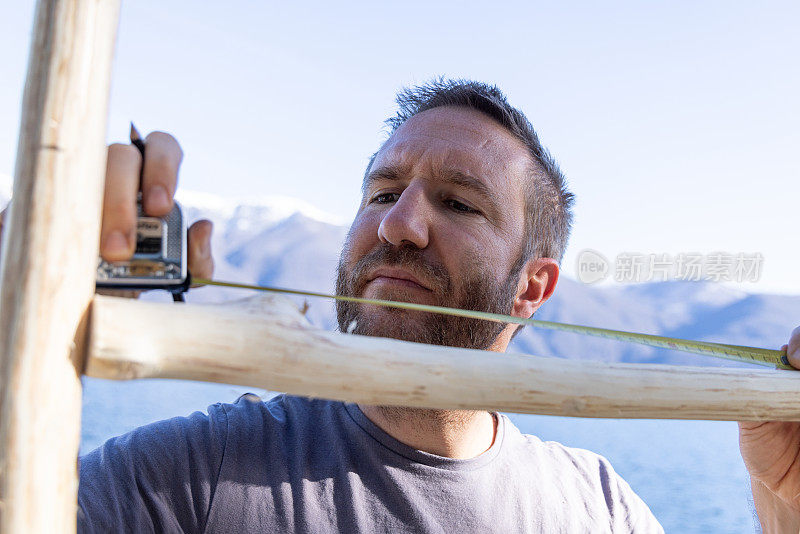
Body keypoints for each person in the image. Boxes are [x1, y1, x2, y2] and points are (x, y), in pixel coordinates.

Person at [62, 79, 798, 532]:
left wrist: (784, 501)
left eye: (458, 203)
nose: (397, 225)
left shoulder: (599, 510)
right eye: (383, 195)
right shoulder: (191, 473)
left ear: (531, 289)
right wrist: (30, 323)